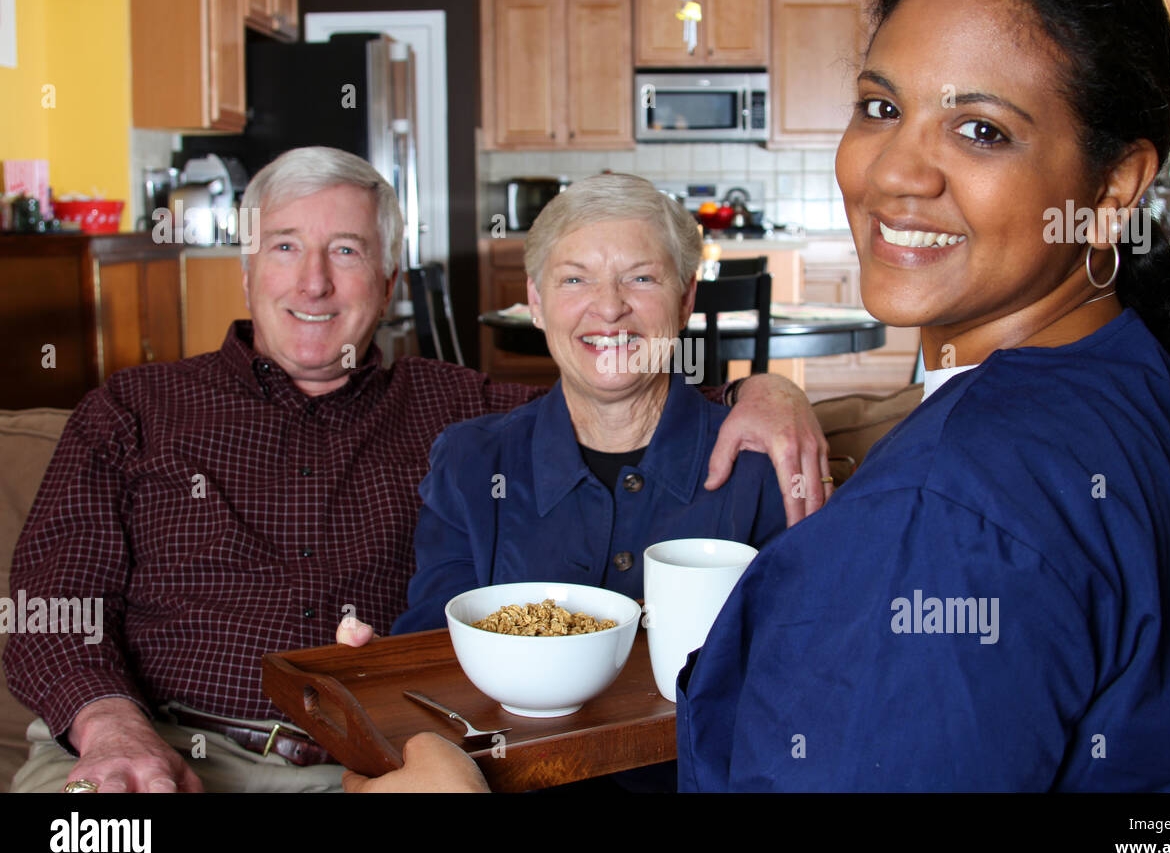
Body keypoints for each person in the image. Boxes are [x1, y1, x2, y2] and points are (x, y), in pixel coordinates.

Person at [343, 0, 1170, 794]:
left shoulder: (944, 514)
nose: (892, 173)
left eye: (981, 129)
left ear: (1116, 180)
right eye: (881, 106)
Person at [3, 147, 831, 794]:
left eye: (348, 250)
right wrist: (112, 729)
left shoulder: (449, 408)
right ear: (246, 266)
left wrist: (765, 393)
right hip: (143, 743)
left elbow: (612, 384)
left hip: (346, 762)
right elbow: (47, 602)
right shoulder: (134, 407)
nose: (314, 281)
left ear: (389, 279)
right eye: (287, 246)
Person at [391, 174, 787, 632]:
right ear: (537, 302)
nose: (609, 307)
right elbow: (429, 655)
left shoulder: (762, 465)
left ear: (684, 300)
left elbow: (796, 655)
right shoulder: (469, 466)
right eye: (575, 279)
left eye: (640, 277)